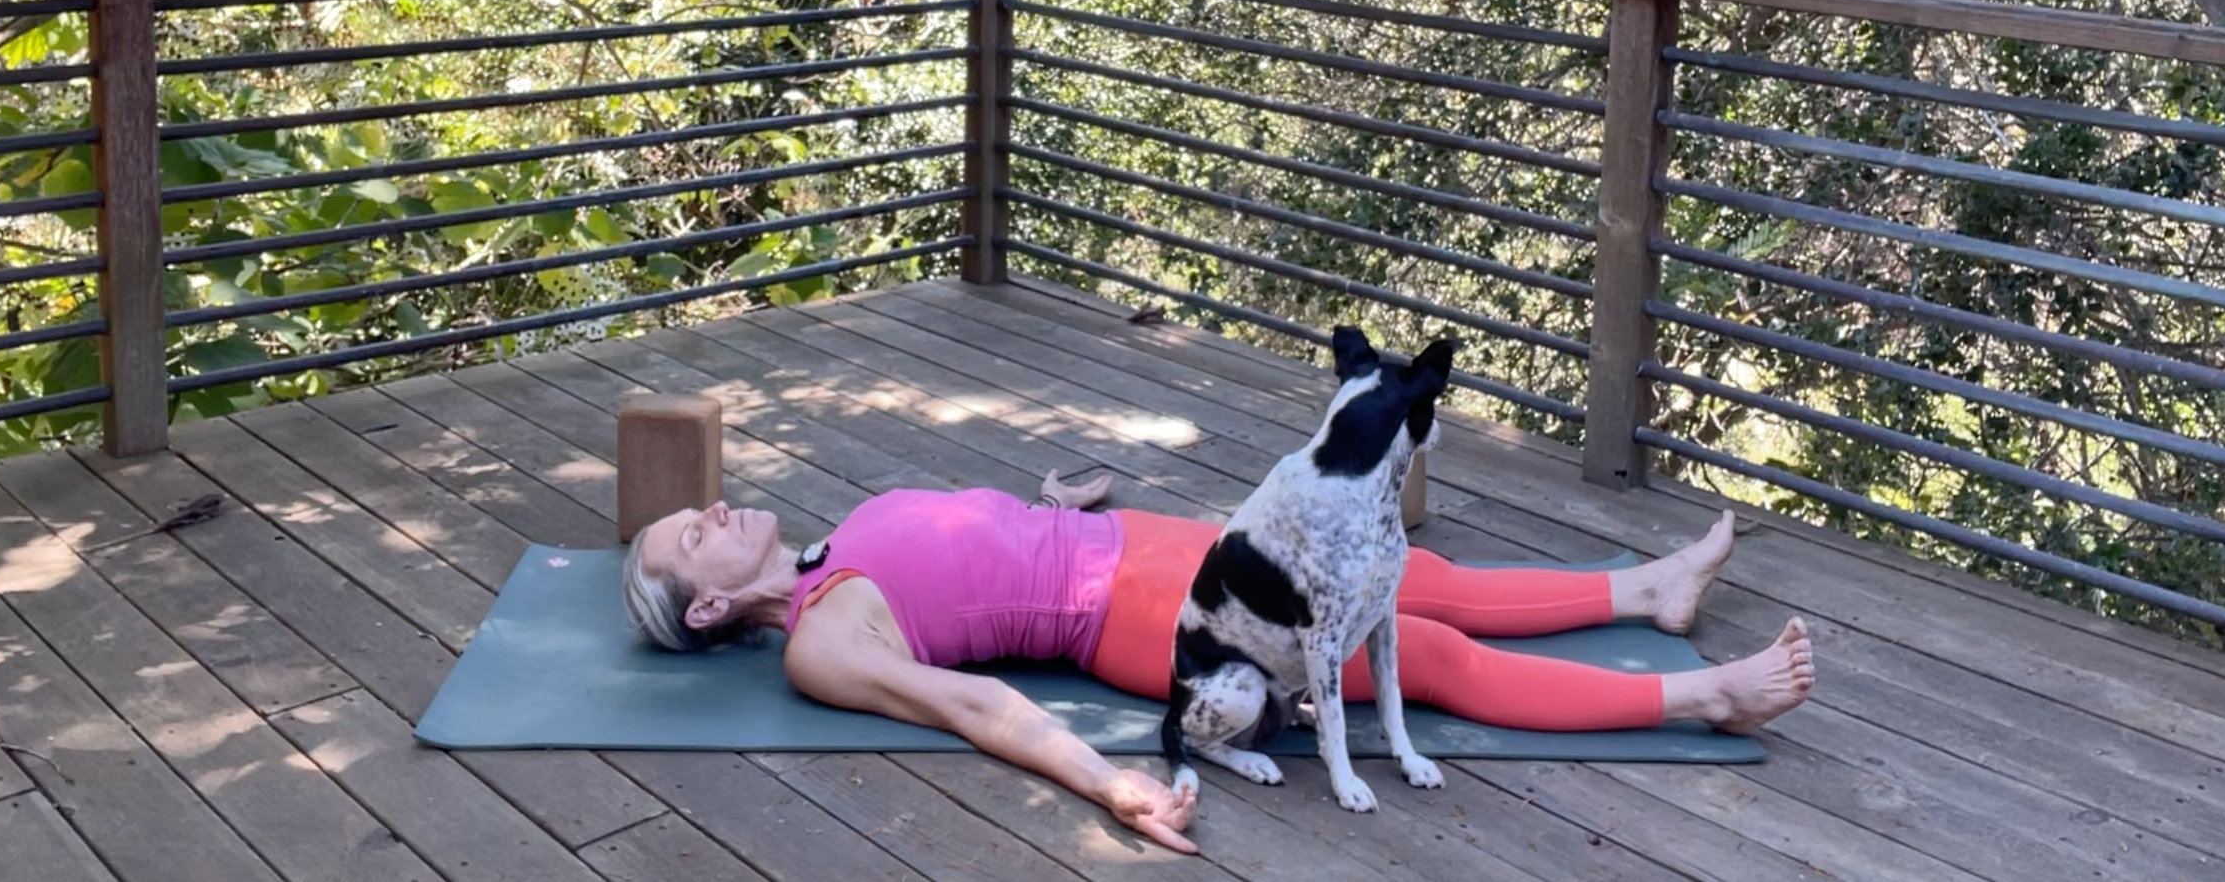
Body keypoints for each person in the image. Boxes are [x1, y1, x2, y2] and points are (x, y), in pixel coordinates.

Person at [623, 469, 1815, 855]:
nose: (715, 509)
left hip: (1129, 542)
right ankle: (1702, 695)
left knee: (1408, 581)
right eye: (695, 535)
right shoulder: (823, 643)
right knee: (1426, 659)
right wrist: (1105, 784)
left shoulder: (833, 544)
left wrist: (1059, 496)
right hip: (1124, 616)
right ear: (717, 607)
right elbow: (975, 702)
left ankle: (1646, 592)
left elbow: (967, 537)